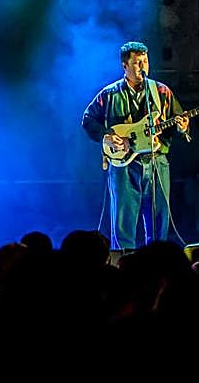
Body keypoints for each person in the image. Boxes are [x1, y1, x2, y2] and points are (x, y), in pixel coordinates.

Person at [81, 40, 189, 251]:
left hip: (157, 162)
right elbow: (88, 119)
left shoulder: (161, 91)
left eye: (145, 62)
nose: (143, 67)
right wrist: (106, 136)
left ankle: (157, 265)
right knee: (124, 222)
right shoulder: (109, 94)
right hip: (123, 165)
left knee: (159, 221)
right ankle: (123, 265)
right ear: (125, 66)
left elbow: (177, 119)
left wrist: (183, 127)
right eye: (138, 62)